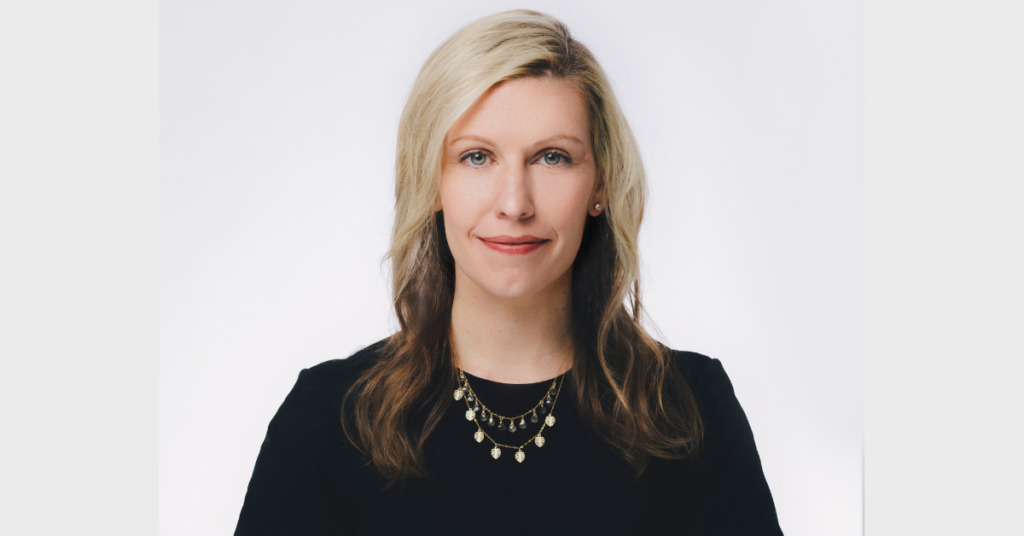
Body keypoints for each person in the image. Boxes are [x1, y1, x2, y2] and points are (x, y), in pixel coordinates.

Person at [234, 10, 782, 535]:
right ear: (430, 182)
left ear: (601, 185)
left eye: (552, 157)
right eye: (477, 157)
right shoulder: (331, 416)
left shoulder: (688, 407)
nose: (515, 203)